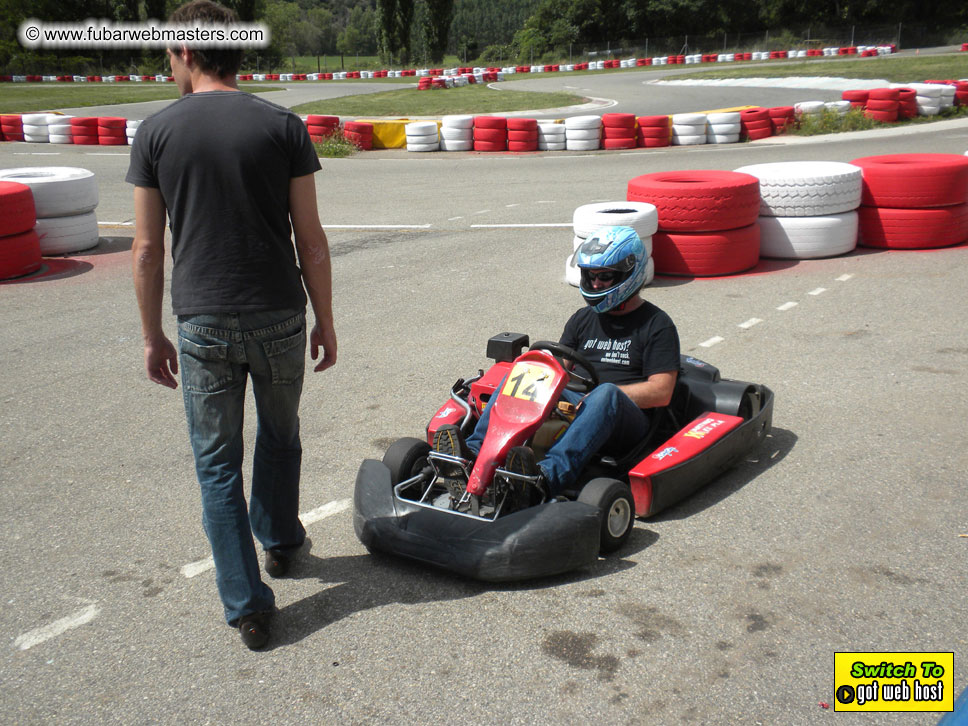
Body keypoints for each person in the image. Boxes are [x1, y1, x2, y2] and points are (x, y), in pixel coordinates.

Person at [127, 0, 336, 650]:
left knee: (217, 464)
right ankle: (280, 540)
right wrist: (326, 320)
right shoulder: (283, 125)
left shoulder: (156, 133)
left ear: (188, 52)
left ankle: (247, 606)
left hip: (203, 320)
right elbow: (311, 240)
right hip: (279, 314)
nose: (169, 64)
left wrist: (151, 335)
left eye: (169, 53)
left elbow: (146, 250)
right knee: (280, 433)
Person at [435, 225, 679, 497]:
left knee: (606, 394)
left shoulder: (657, 324)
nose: (595, 284)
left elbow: (662, 391)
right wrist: (541, 389)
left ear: (629, 273)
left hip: (627, 421)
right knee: (523, 374)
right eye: (591, 276)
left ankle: (546, 478)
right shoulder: (582, 319)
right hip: (580, 404)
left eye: (605, 277)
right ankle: (474, 456)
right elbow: (557, 370)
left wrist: (599, 396)